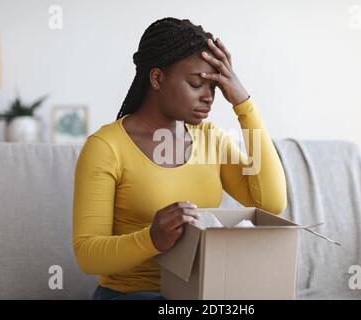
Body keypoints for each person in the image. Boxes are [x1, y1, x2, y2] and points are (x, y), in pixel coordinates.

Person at [72, 17, 287, 300]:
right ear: (157, 78)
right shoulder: (106, 147)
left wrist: (243, 104)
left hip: (198, 291)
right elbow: (88, 256)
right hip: (134, 293)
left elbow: (270, 204)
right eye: (197, 84)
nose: (209, 97)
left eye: (215, 87)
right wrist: (151, 239)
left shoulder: (211, 140)